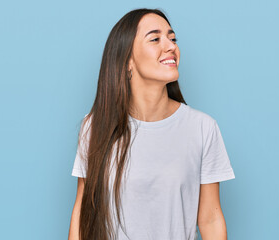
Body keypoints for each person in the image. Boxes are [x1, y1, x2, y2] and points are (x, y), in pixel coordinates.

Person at [68, 8, 235, 240]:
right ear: (127, 60)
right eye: (155, 39)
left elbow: (210, 219)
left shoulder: (202, 128)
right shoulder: (95, 126)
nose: (170, 46)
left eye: (172, 38)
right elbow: (82, 212)